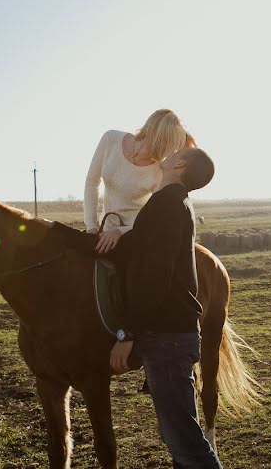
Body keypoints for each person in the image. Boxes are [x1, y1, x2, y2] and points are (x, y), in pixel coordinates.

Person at [109, 145, 221, 469]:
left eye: (175, 152)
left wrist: (127, 333)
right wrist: (115, 235)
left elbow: (154, 278)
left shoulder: (168, 204)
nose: (168, 153)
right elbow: (144, 250)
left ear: (180, 163)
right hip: (173, 337)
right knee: (182, 439)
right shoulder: (174, 204)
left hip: (167, 338)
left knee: (186, 445)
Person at [84, 109, 194, 255]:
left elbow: (154, 215)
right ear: (158, 136)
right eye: (171, 144)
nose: (172, 152)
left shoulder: (160, 172)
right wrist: (91, 226)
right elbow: (92, 183)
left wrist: (120, 231)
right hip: (104, 228)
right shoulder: (110, 139)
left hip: (134, 233)